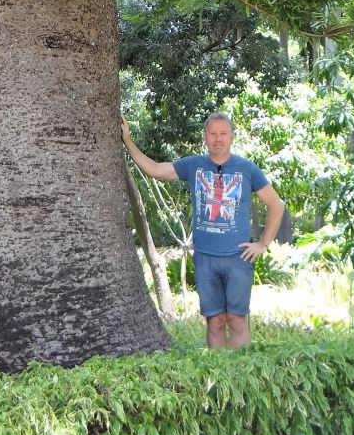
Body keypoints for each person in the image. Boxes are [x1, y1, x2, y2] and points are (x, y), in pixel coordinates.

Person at [121, 111, 285, 349]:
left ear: (231, 137)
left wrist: (263, 243)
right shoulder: (194, 166)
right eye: (213, 133)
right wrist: (127, 140)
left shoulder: (247, 169)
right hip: (206, 258)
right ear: (206, 137)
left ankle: (240, 378)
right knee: (215, 321)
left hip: (238, 258)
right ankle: (219, 377)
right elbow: (155, 169)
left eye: (223, 133)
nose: (218, 139)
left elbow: (276, 205)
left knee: (237, 320)